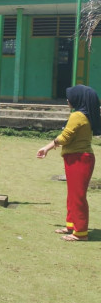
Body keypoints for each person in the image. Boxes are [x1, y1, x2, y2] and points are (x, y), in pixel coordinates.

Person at [37, 85, 101, 242]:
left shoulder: (77, 116)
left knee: (77, 196)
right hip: (77, 158)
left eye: (70, 97)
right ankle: (71, 225)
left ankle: (80, 233)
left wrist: (46, 148)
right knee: (73, 194)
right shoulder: (84, 115)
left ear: (78, 99)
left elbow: (65, 137)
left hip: (79, 159)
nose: (67, 100)